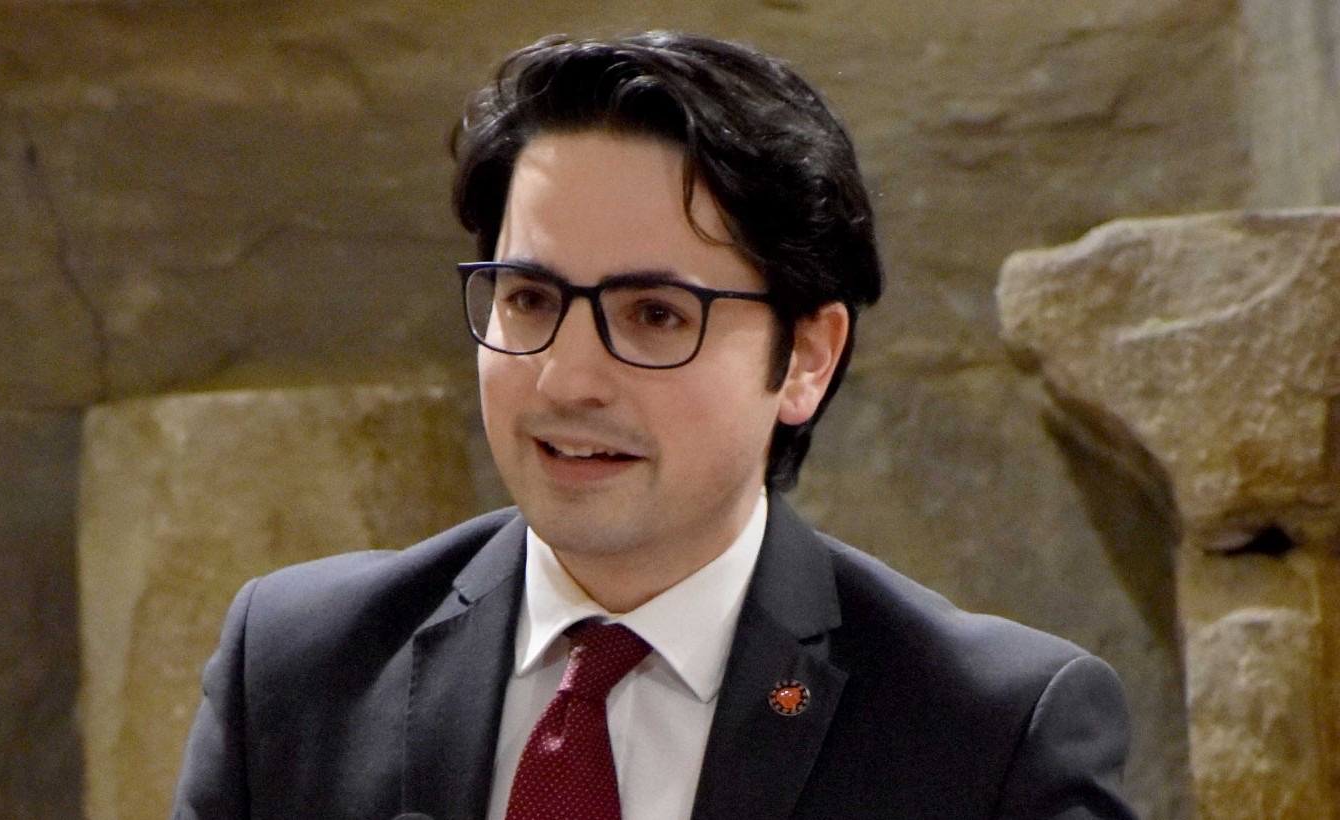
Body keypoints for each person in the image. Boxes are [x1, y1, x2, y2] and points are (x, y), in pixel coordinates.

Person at [173, 31, 1137, 820]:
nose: (566, 378)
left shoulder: (989, 735)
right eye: (529, 300)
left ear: (806, 357)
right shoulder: (300, 670)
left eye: (655, 316)